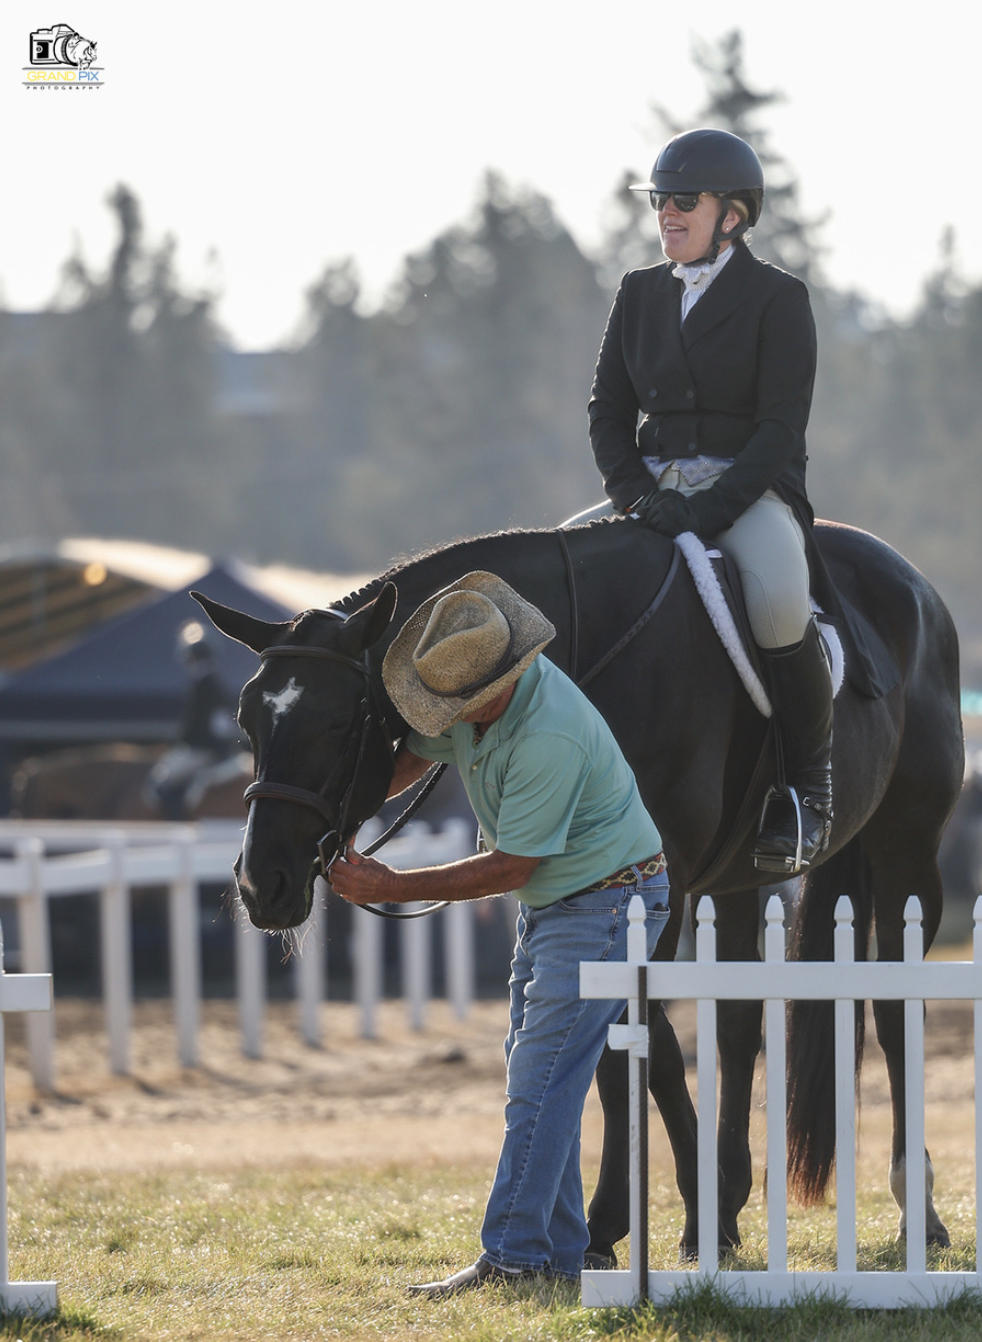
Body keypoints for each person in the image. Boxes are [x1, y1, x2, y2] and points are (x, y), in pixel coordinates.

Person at [328, 570, 669, 1294]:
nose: (443, 715)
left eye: (453, 703)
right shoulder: (478, 697)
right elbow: (419, 753)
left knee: (539, 1082)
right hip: (574, 902)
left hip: (605, 904)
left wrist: (391, 886)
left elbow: (513, 864)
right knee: (545, 1081)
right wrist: (346, 804)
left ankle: (513, 1258)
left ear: (494, 683)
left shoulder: (549, 736)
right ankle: (559, 1258)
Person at [588, 126, 832, 875]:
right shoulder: (637, 293)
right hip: (653, 489)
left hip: (748, 489)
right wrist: (637, 494)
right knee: (558, 582)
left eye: (683, 200)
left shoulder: (780, 299)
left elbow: (779, 428)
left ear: (732, 214)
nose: (666, 212)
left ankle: (806, 792)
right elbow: (606, 411)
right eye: (660, 199)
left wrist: (706, 510)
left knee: (780, 602)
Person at [144, 621, 243, 819]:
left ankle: (177, 820)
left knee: (162, 782)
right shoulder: (213, 682)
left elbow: (198, 725)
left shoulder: (205, 685)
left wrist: (180, 740)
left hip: (202, 750)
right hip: (215, 748)